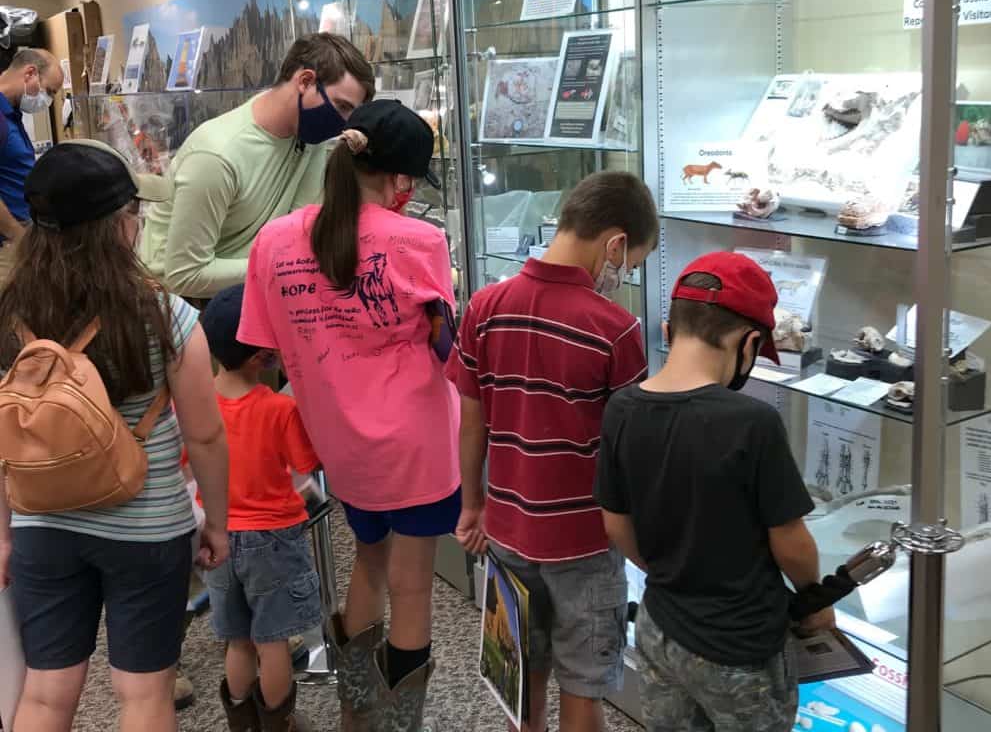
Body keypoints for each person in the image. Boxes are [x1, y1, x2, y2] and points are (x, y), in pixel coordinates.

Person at [238, 99, 458, 732]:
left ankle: (355, 713)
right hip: (418, 447)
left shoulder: (275, 241)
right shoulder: (421, 240)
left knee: (369, 561)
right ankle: (395, 725)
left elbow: (266, 341)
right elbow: (447, 346)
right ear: (401, 181)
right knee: (413, 586)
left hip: (340, 446)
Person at [0, 139, 229, 732]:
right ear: (117, 225)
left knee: (46, 693)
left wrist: (3, 536)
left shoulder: (8, 314)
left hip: (41, 523)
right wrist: (218, 522)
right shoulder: (162, 313)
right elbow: (204, 436)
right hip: (148, 526)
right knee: (144, 694)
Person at [448, 171, 660, 732]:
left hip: (508, 529)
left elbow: (472, 421)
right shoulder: (616, 330)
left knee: (522, 671)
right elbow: (628, 454)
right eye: (629, 265)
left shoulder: (484, 307)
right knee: (583, 687)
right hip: (586, 541)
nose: (622, 278)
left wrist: (473, 506)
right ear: (615, 244)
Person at [594, 251, 835, 732]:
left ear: (669, 330)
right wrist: (816, 597)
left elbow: (615, 522)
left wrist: (668, 569)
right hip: (740, 645)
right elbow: (790, 540)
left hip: (658, 628)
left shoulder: (621, 408)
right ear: (748, 343)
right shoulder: (753, 423)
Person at [140, 32, 375, 300]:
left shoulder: (310, 137)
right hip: (179, 304)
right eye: (341, 106)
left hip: (250, 285)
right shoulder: (216, 156)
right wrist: (285, 266)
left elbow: (299, 229)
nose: (342, 121)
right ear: (305, 81)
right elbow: (184, 275)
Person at [197, 284, 322, 732]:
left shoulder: (195, 404)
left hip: (216, 536)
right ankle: (279, 725)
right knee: (273, 642)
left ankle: (242, 723)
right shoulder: (277, 409)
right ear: (258, 355)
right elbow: (307, 464)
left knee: (237, 639)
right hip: (272, 538)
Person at [0, 48, 63, 284]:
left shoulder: (10, 114)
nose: (47, 101)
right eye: (49, 92)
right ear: (30, 74)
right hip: (7, 247)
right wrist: (18, 237)